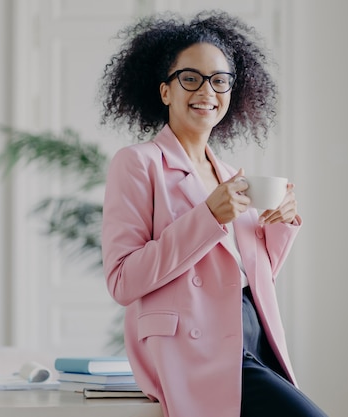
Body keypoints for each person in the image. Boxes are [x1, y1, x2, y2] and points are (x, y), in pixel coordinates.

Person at [100, 11, 327, 417]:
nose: (207, 90)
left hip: (252, 335)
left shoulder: (227, 174)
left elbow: (250, 276)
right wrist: (208, 216)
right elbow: (122, 280)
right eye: (191, 78)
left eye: (219, 80)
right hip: (195, 347)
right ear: (165, 91)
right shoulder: (138, 163)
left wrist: (280, 225)